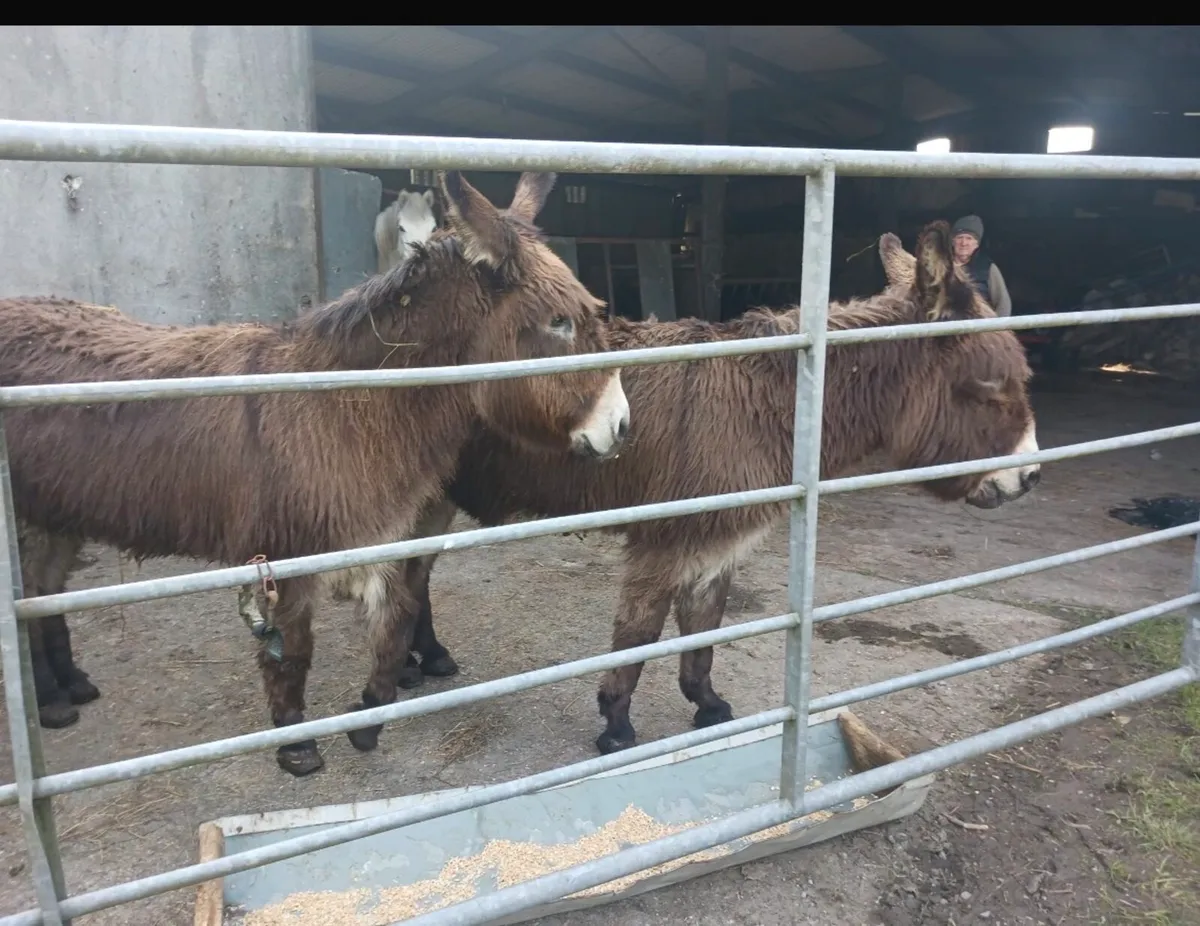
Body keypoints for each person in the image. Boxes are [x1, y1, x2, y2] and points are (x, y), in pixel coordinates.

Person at [951, 215, 1012, 317]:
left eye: (969, 238)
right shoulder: (941, 267)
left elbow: (1003, 303)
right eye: (959, 237)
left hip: (978, 327)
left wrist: (997, 328)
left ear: (977, 244)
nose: (964, 243)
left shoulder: (987, 268)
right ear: (953, 241)